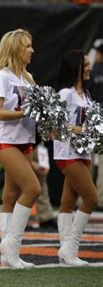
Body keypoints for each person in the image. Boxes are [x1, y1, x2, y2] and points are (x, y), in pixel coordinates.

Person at [0, 28, 40, 269]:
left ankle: (8, 256)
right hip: (6, 141)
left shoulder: (28, 78)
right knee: (32, 189)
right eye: (27, 46)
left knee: (10, 195)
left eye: (31, 45)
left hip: (25, 141)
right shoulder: (3, 76)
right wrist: (24, 112)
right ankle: (11, 244)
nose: (31, 50)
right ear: (15, 48)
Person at [53, 49, 97, 266]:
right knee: (92, 198)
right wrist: (82, 130)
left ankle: (64, 252)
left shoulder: (86, 95)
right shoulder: (65, 94)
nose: (89, 68)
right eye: (86, 64)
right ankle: (70, 248)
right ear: (76, 68)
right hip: (67, 152)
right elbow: (54, 126)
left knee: (67, 201)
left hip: (83, 152)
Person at [91, 44, 103, 210]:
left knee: (84, 160)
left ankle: (82, 198)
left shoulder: (92, 73)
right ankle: (99, 199)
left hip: (90, 121)